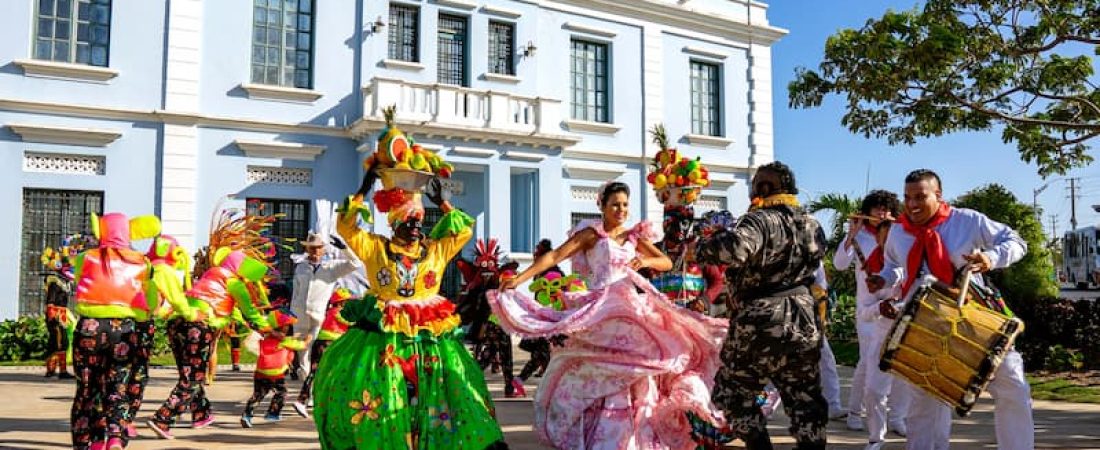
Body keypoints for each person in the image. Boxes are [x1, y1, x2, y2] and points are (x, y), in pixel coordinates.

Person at [312, 113, 507, 449]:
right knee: (386, 395)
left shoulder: (435, 249)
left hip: (431, 340)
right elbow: (346, 226)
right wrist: (364, 186)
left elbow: (463, 229)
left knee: (442, 396)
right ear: (394, 222)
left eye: (419, 219)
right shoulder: (375, 248)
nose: (417, 225)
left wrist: (441, 200)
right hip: (383, 338)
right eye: (409, 220)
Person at [489, 181, 728, 448]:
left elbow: (666, 262)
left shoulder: (632, 237)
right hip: (600, 307)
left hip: (630, 308)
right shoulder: (592, 235)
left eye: (625, 205)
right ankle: (598, 431)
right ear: (602, 206)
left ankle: (630, 434)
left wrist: (644, 261)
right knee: (600, 364)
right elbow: (555, 255)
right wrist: (520, 278)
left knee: (638, 367)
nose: (621, 210)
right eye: (615, 204)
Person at [867, 169, 1032, 450]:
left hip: (973, 321)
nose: (912, 204)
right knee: (924, 404)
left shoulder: (967, 221)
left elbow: (1016, 242)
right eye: (907, 198)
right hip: (923, 324)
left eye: (921, 197)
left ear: (939, 195)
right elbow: (896, 266)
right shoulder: (898, 232)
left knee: (1013, 387)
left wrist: (990, 258)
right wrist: (884, 278)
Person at [691, 161, 829, 450]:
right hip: (804, 315)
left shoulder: (759, 220)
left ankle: (759, 446)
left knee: (731, 392)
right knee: (804, 396)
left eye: (756, 184)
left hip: (762, 317)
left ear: (765, 188)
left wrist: (702, 248)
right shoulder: (812, 224)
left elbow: (735, 249)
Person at [147, 249, 275, 439]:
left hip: (176, 323)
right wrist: (269, 329)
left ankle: (201, 415)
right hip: (198, 325)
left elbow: (235, 313)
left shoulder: (211, 275)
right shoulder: (234, 283)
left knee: (188, 372)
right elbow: (250, 313)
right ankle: (163, 419)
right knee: (193, 378)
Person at [69, 213, 161, 450]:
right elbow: (149, 302)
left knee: (88, 388)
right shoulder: (143, 262)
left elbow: (80, 285)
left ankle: (87, 442)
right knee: (118, 386)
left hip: (90, 327)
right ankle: (115, 438)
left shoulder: (85, 257)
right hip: (124, 330)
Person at [833, 189, 912, 447]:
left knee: (901, 367)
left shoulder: (900, 236)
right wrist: (851, 236)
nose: (883, 213)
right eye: (877, 209)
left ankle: (898, 417)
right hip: (868, 311)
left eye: (887, 209)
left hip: (898, 310)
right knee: (868, 364)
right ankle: (855, 412)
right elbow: (840, 264)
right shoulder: (861, 239)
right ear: (868, 212)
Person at [126, 235, 195, 439]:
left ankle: (111, 419)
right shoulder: (163, 270)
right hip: (141, 325)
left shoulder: (145, 266)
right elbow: (178, 299)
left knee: (119, 373)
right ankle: (125, 420)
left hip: (120, 321)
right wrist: (191, 314)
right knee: (137, 375)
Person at [290, 232, 362, 376]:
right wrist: (291, 312)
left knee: (315, 351)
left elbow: (356, 263)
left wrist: (344, 249)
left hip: (318, 315)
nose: (315, 251)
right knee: (303, 351)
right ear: (307, 249)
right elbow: (296, 291)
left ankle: (312, 382)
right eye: (312, 248)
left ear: (323, 249)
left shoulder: (331, 268)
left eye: (318, 248)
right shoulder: (301, 267)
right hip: (299, 313)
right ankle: (306, 383)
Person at [292, 286, 354, 416]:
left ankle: (304, 400)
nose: (349, 303)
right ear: (342, 302)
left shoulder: (330, 311)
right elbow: (348, 323)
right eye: (347, 301)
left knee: (316, 373)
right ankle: (305, 400)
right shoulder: (338, 312)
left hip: (323, 344)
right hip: (328, 345)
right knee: (330, 373)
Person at [241, 309, 308, 428]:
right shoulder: (284, 341)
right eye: (287, 325)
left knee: (257, 395)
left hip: (260, 372)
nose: (288, 328)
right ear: (282, 327)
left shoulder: (266, 339)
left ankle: (247, 415)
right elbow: (301, 345)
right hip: (276, 374)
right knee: (281, 393)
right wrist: (308, 339)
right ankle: (273, 413)